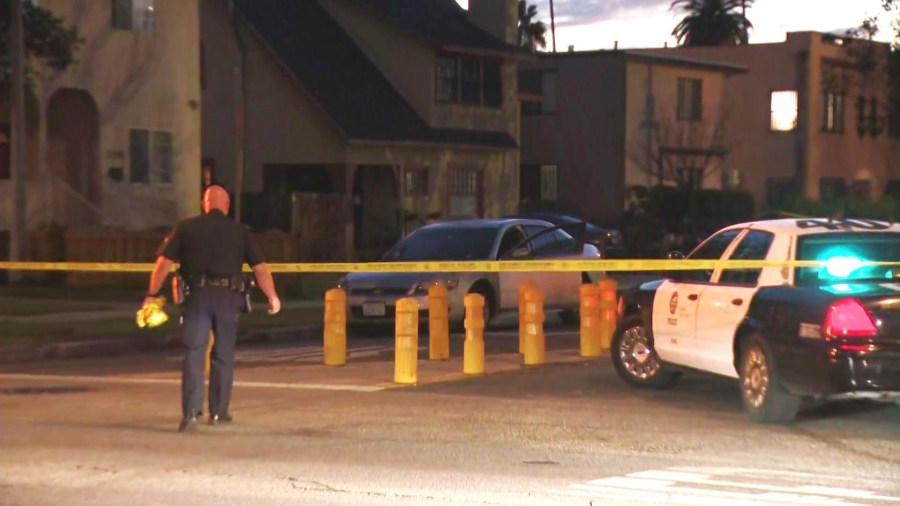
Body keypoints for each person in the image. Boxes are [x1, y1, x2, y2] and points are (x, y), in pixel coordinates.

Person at [143, 184, 281, 433]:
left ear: (203, 204)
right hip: (228, 298)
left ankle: (191, 414)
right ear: (226, 206)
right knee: (223, 354)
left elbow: (163, 264)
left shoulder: (185, 228)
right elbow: (260, 268)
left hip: (196, 297)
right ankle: (218, 411)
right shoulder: (240, 231)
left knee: (194, 352)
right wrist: (272, 296)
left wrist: (151, 295)